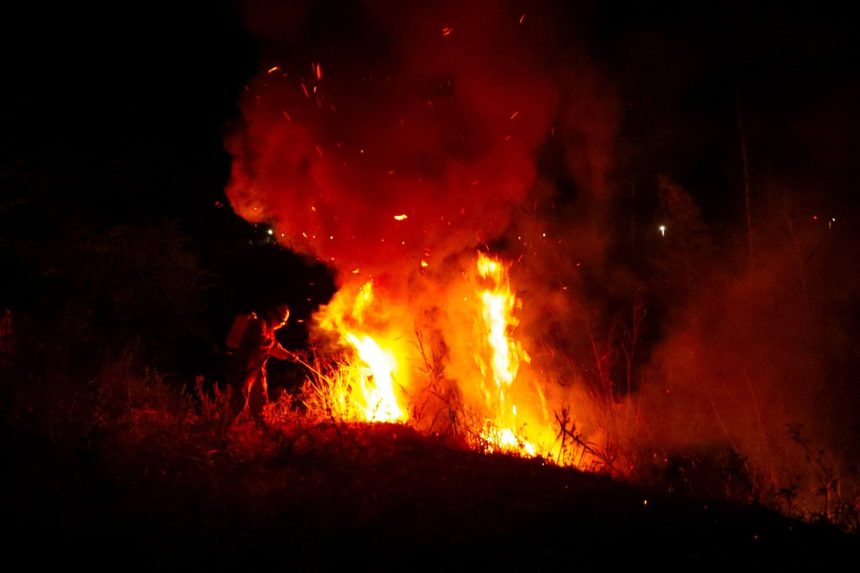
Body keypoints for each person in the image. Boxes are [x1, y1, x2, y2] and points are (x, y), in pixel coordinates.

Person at [226, 304, 294, 418]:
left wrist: (288, 356)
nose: (281, 325)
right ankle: (223, 429)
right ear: (273, 316)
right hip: (245, 369)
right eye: (281, 322)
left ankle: (262, 430)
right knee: (239, 401)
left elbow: (273, 347)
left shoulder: (268, 329)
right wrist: (285, 354)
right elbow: (266, 345)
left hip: (256, 370)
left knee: (260, 402)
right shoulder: (260, 325)